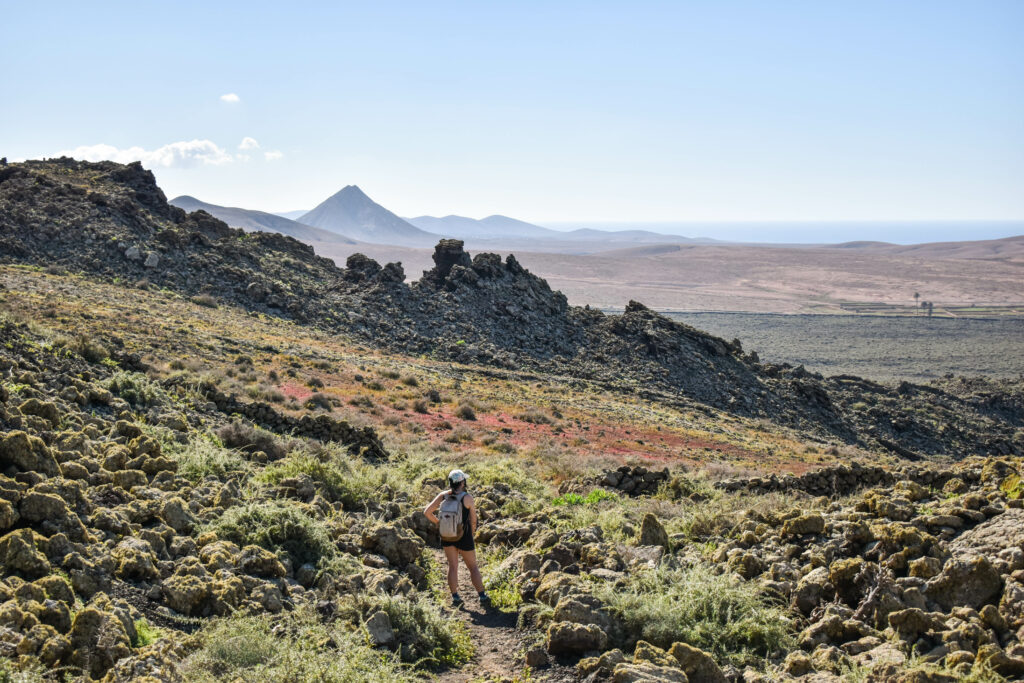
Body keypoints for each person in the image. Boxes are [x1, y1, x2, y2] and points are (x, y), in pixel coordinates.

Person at [424, 469, 490, 607]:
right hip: (464, 536)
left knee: (452, 566)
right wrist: (471, 534)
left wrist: (440, 524)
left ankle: (455, 597)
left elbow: (427, 512)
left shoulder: (443, 496)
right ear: (463, 482)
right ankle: (482, 596)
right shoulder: (467, 498)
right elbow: (473, 520)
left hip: (447, 536)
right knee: (473, 567)